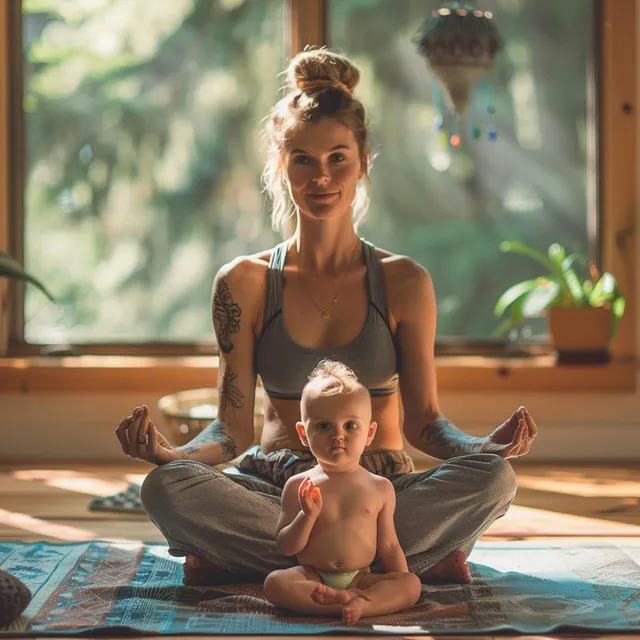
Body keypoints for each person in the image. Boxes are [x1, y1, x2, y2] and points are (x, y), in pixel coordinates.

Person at [115, 47, 538, 589]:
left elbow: (425, 423)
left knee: (495, 479)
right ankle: (393, 562)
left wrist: (484, 448)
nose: (322, 177)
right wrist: (172, 454)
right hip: (277, 490)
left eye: (338, 157)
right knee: (166, 487)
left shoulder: (405, 282)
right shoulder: (242, 284)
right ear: (280, 163)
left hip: (377, 493)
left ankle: (265, 561)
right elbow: (232, 428)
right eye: (303, 159)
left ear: (363, 161)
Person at [263, 359, 421, 625]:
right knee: (275, 583)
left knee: (412, 585)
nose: (338, 435)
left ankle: (358, 603)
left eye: (350, 426)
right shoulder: (298, 486)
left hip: (361, 577)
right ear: (304, 433)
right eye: (324, 426)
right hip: (312, 576)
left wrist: (400, 582)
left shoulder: (380, 487)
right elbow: (287, 547)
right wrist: (307, 515)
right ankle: (346, 607)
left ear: (370, 433)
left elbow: (390, 546)